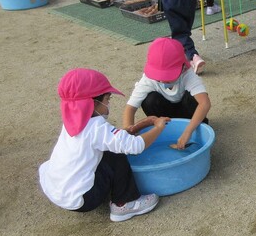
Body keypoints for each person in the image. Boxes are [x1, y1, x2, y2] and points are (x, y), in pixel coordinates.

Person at [39, 68, 170, 222]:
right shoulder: (97, 126)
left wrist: (139, 126)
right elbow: (135, 146)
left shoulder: (73, 121)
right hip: (84, 200)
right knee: (116, 154)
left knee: (109, 148)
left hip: (57, 190)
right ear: (93, 103)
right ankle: (125, 203)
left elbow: (108, 139)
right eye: (108, 99)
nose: (108, 104)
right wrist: (158, 128)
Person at [123, 37, 211, 150]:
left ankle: (198, 126)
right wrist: (127, 136)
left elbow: (205, 103)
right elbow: (130, 108)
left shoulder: (188, 74)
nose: (163, 81)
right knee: (149, 100)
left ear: (183, 67)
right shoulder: (149, 79)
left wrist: (187, 132)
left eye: (168, 77)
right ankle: (165, 129)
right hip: (166, 117)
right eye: (159, 78)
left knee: (194, 98)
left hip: (188, 114)